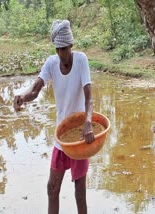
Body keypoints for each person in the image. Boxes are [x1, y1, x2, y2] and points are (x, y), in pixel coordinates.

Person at [13, 19, 95, 214]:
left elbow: (89, 97)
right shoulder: (51, 63)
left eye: (64, 49)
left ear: (71, 46)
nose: (60, 54)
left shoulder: (81, 60)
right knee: (52, 188)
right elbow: (35, 89)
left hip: (79, 137)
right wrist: (23, 97)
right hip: (61, 137)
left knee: (79, 191)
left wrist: (88, 123)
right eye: (57, 49)